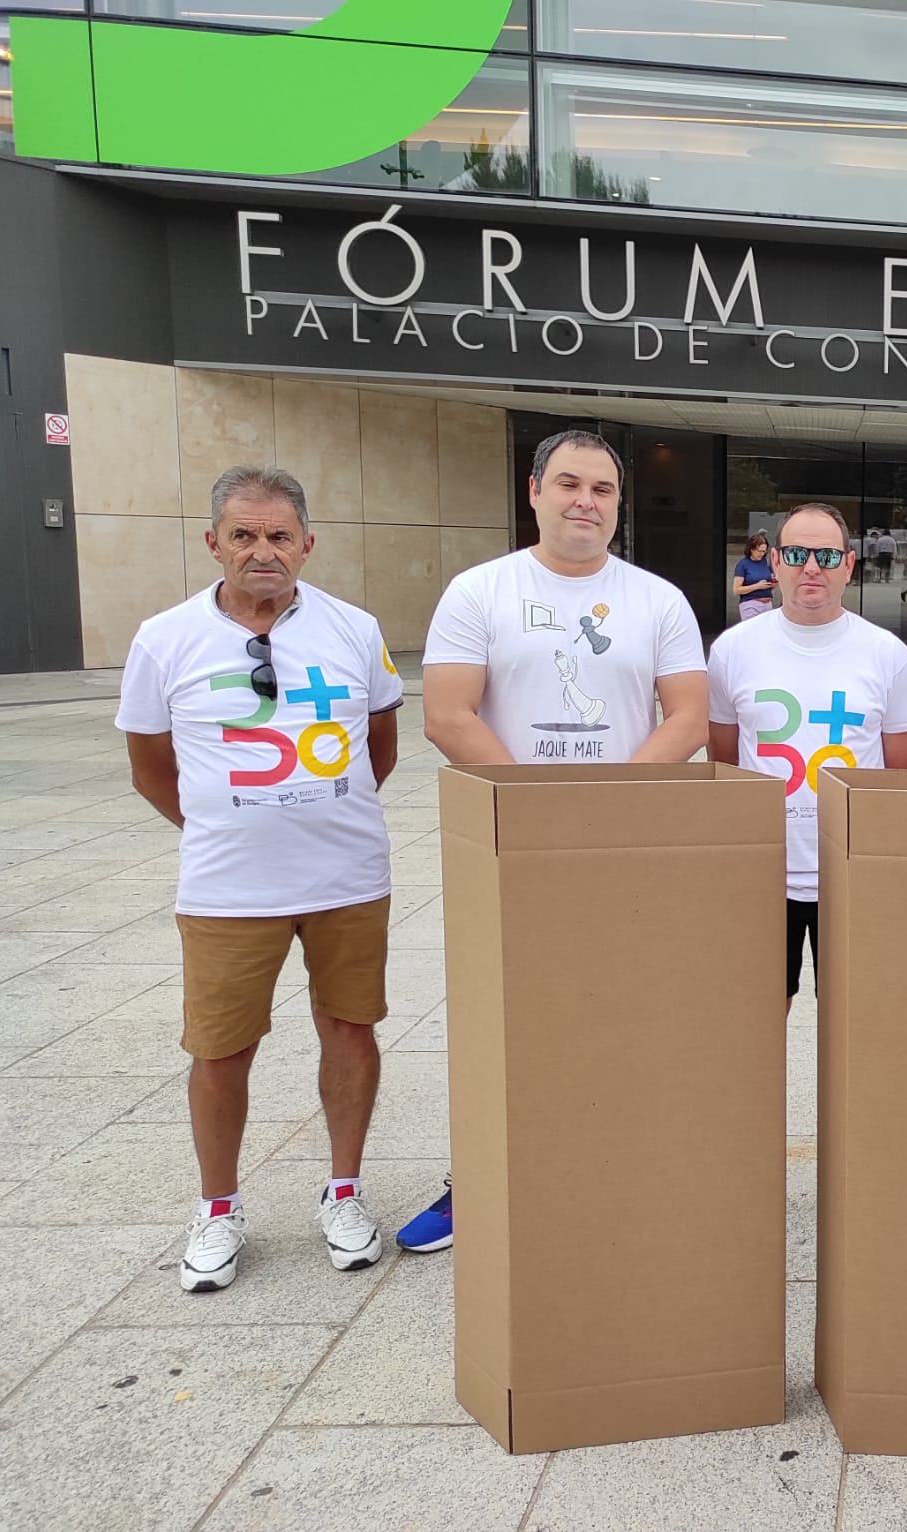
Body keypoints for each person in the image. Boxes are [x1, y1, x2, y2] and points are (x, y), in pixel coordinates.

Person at [394, 429, 709, 1253]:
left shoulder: (658, 600)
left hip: (629, 844)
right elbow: (447, 715)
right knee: (502, 1022)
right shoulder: (479, 592)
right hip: (513, 842)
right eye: (568, 484)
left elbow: (686, 718)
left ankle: (615, 1173)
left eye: (602, 490)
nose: (585, 502)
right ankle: (480, 1186)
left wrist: (609, 806)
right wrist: (541, 810)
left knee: (626, 1018)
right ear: (533, 491)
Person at [118, 466, 403, 1293]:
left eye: (280, 536)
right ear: (213, 543)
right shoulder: (163, 639)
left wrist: (314, 810)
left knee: (350, 1028)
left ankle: (344, 1192)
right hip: (227, 889)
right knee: (219, 1049)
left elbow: (378, 748)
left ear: (307, 545)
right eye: (243, 535)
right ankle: (217, 1208)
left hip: (348, 879)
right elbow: (149, 766)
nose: (262, 551)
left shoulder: (354, 629)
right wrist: (225, 823)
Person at [709, 504, 907, 1014]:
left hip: (851, 872)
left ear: (849, 565)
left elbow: (898, 777)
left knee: (856, 1021)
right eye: (799, 554)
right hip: (762, 873)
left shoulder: (888, 655)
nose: (812, 567)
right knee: (754, 1021)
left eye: (827, 555)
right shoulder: (732, 651)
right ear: (776, 563)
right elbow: (723, 763)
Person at [734, 531, 775, 620]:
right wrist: (757, 586)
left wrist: (773, 583)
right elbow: (736, 590)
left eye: (764, 551)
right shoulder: (743, 564)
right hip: (750, 604)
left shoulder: (765, 562)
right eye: (760, 551)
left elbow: (771, 583)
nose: (762, 554)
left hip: (767, 604)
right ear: (752, 549)